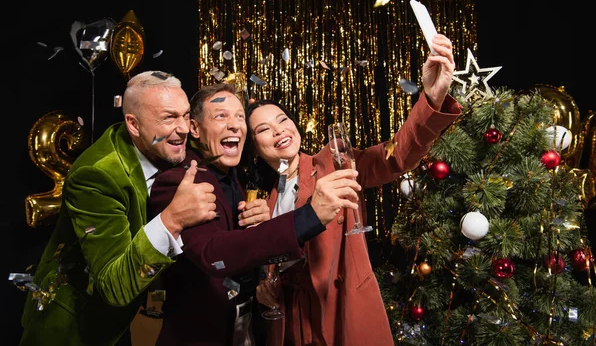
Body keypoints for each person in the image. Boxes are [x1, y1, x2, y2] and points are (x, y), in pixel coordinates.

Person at [247, 33, 462, 346]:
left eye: (282, 119)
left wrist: (431, 100)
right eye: (264, 129)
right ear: (255, 148)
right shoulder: (265, 201)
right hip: (291, 327)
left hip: (341, 312)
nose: (278, 129)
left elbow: (396, 156)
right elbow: (270, 265)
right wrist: (266, 286)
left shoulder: (334, 161)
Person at [148, 82, 362, 345]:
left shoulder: (241, 180)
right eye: (221, 116)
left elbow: (248, 254)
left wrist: (262, 276)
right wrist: (309, 216)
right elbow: (215, 254)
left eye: (240, 117)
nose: (235, 124)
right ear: (194, 128)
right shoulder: (178, 182)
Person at [19, 71, 219, 346]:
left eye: (185, 115)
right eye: (169, 117)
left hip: (123, 320)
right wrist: (172, 220)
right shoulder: (96, 176)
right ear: (133, 125)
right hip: (74, 326)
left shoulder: (158, 142)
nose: (184, 128)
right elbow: (114, 287)